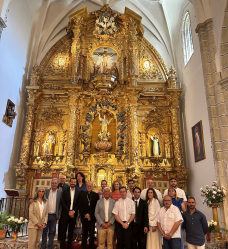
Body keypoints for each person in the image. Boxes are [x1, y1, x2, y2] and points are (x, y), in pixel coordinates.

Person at [60, 178, 81, 249]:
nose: (73, 183)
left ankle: (69, 247)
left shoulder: (78, 191)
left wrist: (73, 211)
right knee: (63, 232)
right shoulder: (65, 191)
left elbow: (78, 203)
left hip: (73, 215)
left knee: (71, 232)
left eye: (74, 182)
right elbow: (62, 202)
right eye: (71, 182)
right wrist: (69, 211)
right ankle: (62, 247)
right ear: (69, 182)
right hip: (65, 214)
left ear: (76, 183)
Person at [41, 178, 62, 249]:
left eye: (55, 183)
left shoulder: (60, 192)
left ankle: (50, 247)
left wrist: (59, 213)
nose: (54, 184)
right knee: (44, 232)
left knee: (52, 232)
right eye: (52, 183)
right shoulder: (46, 191)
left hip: (54, 215)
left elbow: (60, 204)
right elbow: (40, 198)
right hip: (46, 215)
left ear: (57, 184)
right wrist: (32, 200)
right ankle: (43, 247)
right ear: (51, 184)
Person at [79, 181, 99, 249]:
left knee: (91, 233)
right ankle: (83, 246)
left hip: (92, 217)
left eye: (90, 186)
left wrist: (89, 214)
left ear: (92, 187)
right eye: (88, 186)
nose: (89, 187)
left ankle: (91, 246)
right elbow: (80, 206)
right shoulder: (82, 195)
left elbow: (96, 206)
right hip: (84, 217)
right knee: (84, 233)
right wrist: (85, 215)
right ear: (86, 187)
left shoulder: (96, 195)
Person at [75, 172, 87, 241]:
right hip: (75, 205)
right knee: (75, 221)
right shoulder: (75, 185)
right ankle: (74, 235)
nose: (78, 177)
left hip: (83, 206)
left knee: (81, 221)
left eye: (80, 176)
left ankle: (80, 235)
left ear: (82, 177)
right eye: (77, 176)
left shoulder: (85, 185)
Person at [57, 175, 69, 241]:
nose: (62, 179)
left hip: (65, 206)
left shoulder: (67, 186)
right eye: (61, 178)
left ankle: (64, 236)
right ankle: (59, 237)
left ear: (65, 179)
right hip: (59, 206)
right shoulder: (57, 185)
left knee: (65, 224)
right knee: (60, 223)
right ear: (59, 179)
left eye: (63, 178)